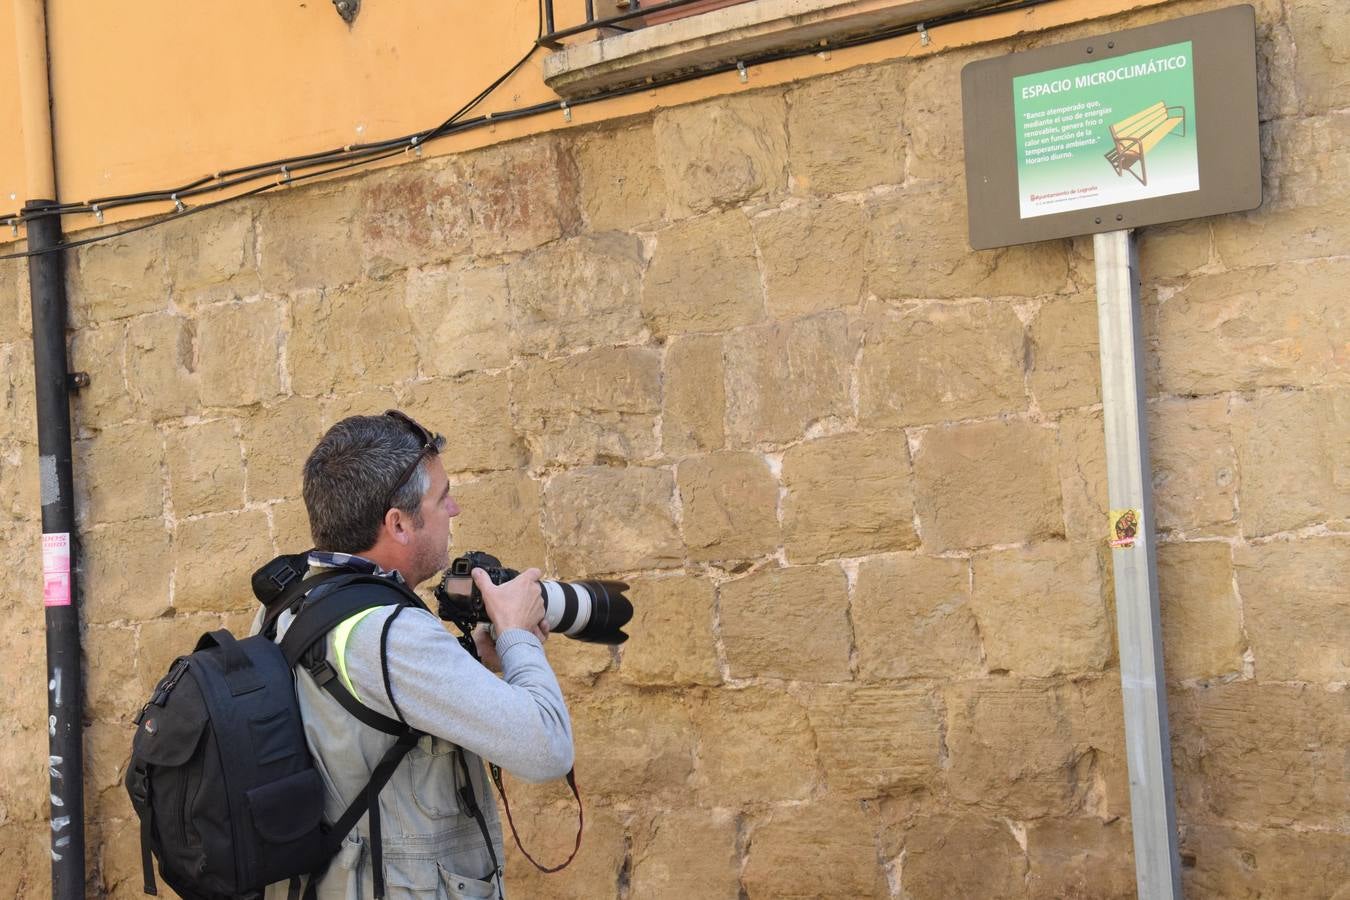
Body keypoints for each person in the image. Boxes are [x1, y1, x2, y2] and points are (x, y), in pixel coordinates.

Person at [258, 410, 574, 899]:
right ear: (399, 524)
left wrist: (473, 665)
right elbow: (547, 749)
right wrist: (517, 635)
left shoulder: (287, 605)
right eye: (442, 496)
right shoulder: (392, 634)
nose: (455, 510)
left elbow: (360, 723)